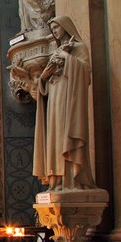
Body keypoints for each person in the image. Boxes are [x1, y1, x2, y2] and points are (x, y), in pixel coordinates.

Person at [33, 16, 96, 191]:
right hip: (54, 97)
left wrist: (67, 57)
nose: (54, 32)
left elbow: (85, 72)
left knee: (65, 134)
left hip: (69, 98)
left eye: (56, 28)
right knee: (55, 137)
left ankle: (72, 179)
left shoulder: (78, 47)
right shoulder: (57, 50)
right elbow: (44, 81)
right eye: (52, 29)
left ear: (66, 27)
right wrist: (44, 77)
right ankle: (57, 181)